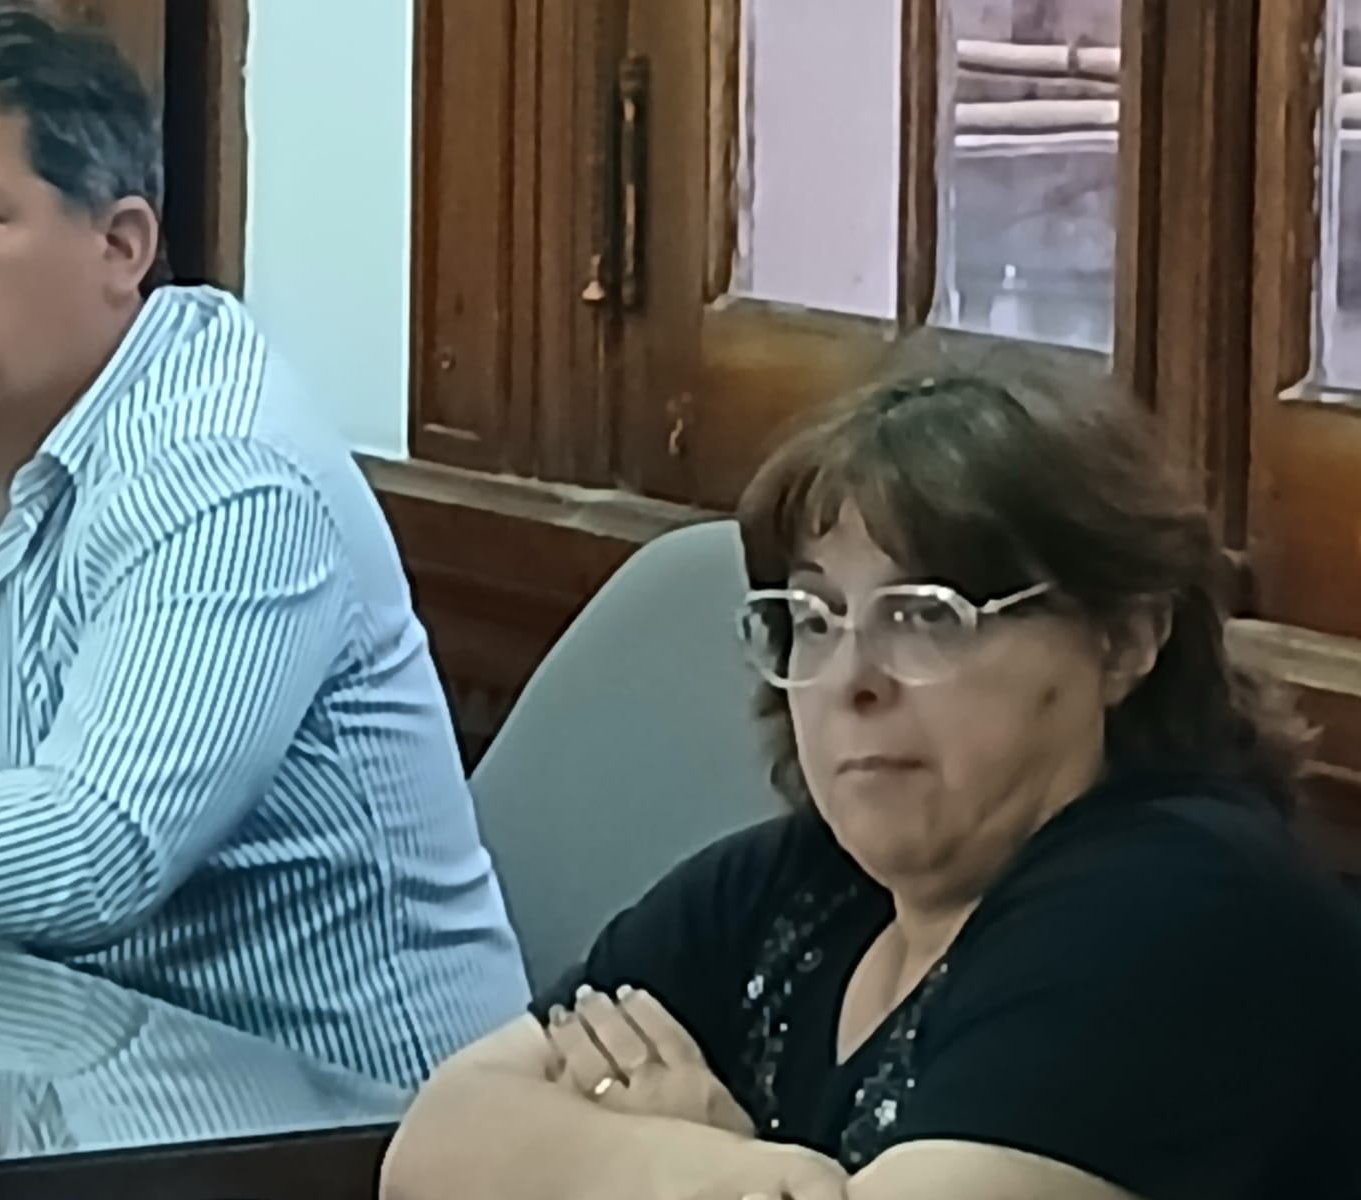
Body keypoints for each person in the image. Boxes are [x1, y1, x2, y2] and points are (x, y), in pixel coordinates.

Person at [0, 4, 528, 1087]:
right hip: (11, 1087)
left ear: (121, 245)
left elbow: (94, 850)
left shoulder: (225, 471)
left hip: (335, 1123)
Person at [381, 354, 1361, 1199]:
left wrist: (615, 1162)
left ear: (1125, 639)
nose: (851, 680)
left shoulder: (1180, 905)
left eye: (926, 615)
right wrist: (724, 1171)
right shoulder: (798, 887)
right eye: (814, 620)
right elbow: (434, 1146)